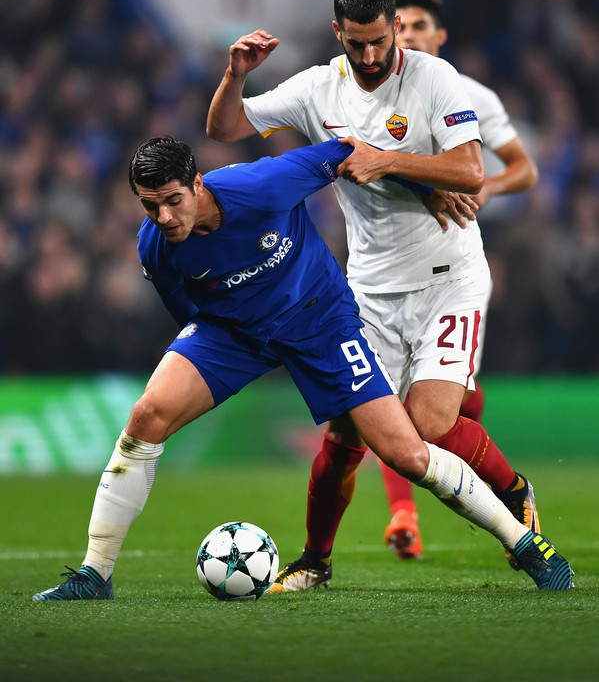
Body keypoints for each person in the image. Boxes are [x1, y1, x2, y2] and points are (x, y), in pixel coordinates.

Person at [32, 135, 572, 601]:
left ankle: (526, 545)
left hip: (319, 322)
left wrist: (424, 187)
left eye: (173, 201)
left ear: (197, 184)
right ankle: (95, 574)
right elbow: (184, 309)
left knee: (407, 454)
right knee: (146, 416)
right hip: (233, 332)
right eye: (151, 207)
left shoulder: (265, 184)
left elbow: (352, 152)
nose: (165, 218)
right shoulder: (156, 247)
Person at [206, 0, 542, 591]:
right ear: (338, 32)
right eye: (355, 43)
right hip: (368, 289)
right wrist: (236, 75)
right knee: (344, 431)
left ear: (395, 28)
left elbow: (471, 170)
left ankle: (514, 490)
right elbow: (225, 129)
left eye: (379, 42)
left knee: (430, 424)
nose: (368, 56)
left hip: (448, 277)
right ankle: (315, 561)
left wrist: (385, 159)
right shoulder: (317, 88)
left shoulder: (434, 78)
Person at [376, 0, 540, 562]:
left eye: (420, 26)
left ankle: (507, 490)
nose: (410, 35)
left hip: (455, 271)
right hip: (392, 273)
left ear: (440, 35)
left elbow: (524, 169)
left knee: (444, 408)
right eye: (401, 26)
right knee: (398, 406)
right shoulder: (374, 95)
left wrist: (484, 187)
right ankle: (405, 515)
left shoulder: (470, 95)